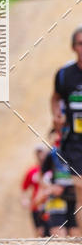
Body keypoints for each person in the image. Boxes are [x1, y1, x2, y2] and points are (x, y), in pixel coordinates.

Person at [51, 25, 82, 221]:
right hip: (75, 142)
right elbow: (55, 98)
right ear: (73, 47)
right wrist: (56, 116)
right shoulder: (64, 74)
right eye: (80, 44)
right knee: (81, 190)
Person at [40, 146, 79, 238]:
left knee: (75, 233)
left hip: (75, 199)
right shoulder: (53, 154)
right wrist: (50, 187)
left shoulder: (78, 153)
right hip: (57, 199)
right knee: (58, 233)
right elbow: (40, 175)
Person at [21, 146, 50, 237]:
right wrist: (24, 199)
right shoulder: (32, 171)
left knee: (51, 230)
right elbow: (24, 188)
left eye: (42, 153)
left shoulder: (51, 170)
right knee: (39, 232)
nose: (40, 156)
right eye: (38, 154)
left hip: (50, 205)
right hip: (36, 207)